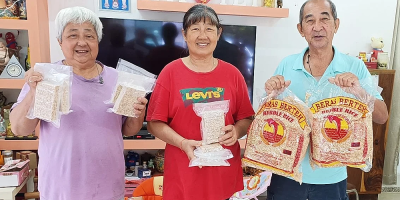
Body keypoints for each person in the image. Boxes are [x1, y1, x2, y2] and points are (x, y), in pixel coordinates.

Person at [10, 7, 147, 200]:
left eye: (89, 36)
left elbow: (128, 130)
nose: (82, 42)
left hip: (108, 186)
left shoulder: (119, 80)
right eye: (73, 35)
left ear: (97, 41)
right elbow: (19, 129)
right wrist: (33, 93)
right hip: (60, 187)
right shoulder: (46, 78)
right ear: (60, 41)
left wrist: (138, 114)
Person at [263, 0, 389, 200]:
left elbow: (382, 117)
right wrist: (270, 93)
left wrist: (360, 93)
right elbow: (267, 115)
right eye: (309, 20)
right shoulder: (287, 65)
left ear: (336, 25)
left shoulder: (354, 67)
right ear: (300, 29)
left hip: (331, 179)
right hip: (287, 173)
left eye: (324, 19)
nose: (317, 27)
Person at [146, 4, 255, 200]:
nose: (202, 36)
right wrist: (182, 142)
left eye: (209, 29)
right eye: (195, 29)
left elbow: (246, 118)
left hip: (222, 174)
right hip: (183, 174)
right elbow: (154, 124)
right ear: (185, 34)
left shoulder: (233, 74)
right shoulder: (170, 73)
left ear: (219, 34)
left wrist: (237, 131)